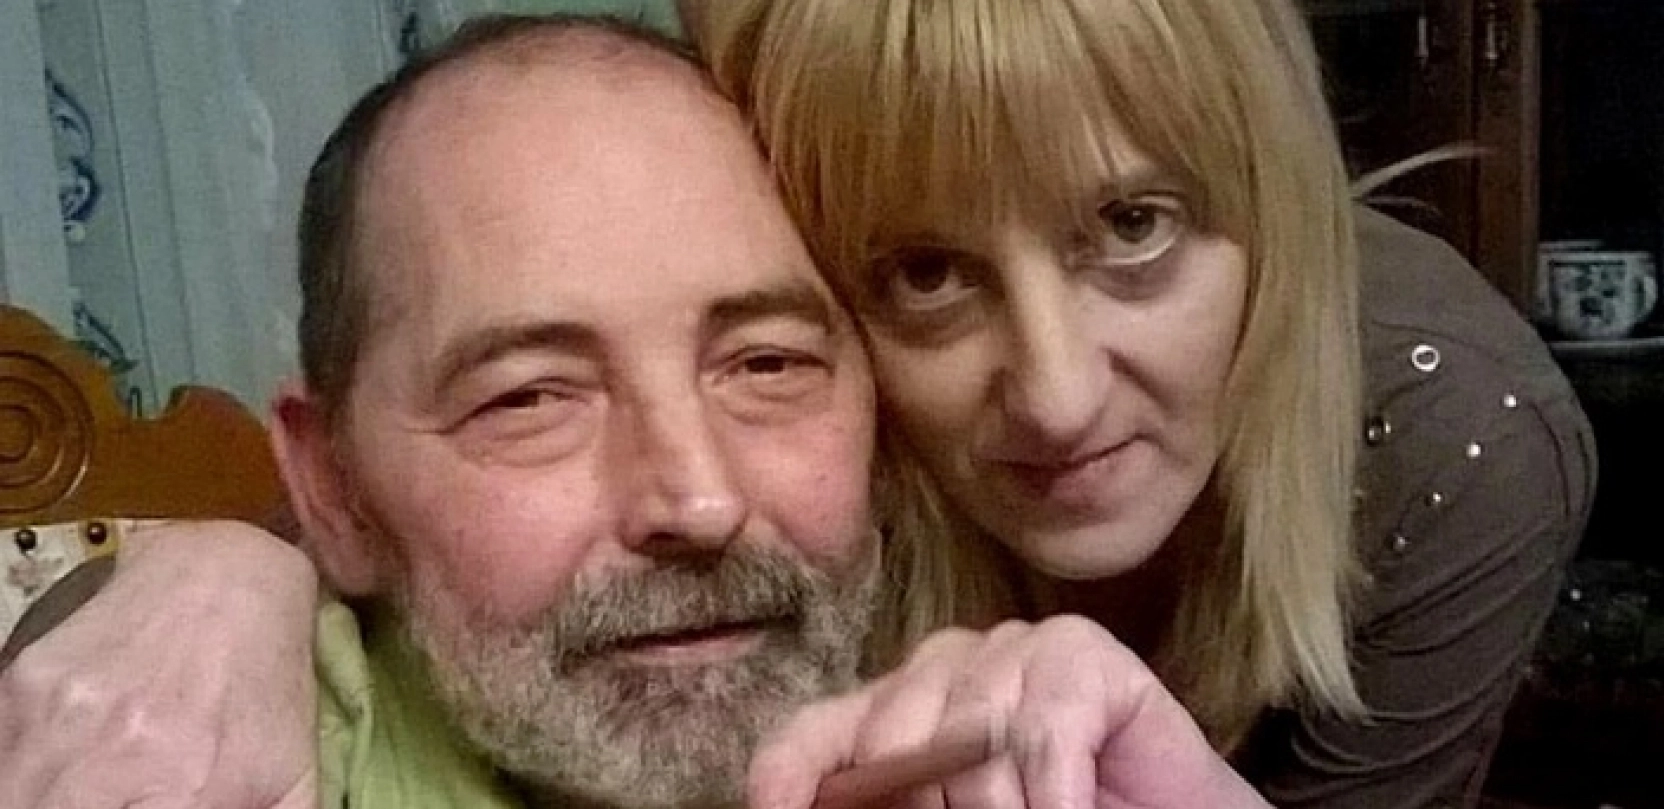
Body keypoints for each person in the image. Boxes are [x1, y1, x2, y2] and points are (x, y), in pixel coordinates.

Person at [4, 1, 1598, 807]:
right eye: (532, 395)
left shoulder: (1453, 439)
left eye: (765, 361)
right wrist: (216, 562)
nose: (698, 496)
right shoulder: (189, 742)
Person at [686, 0, 1595, 806]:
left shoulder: (1459, 441)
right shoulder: (772, 445)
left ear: (1274, 211)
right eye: (928, 273)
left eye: (1133, 224)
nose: (1058, 401)